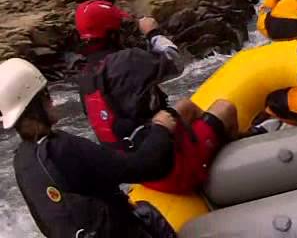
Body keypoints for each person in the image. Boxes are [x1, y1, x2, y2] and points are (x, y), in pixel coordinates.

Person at [1, 57, 178, 238]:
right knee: (148, 216)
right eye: (46, 95)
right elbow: (146, 166)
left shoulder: (22, 160)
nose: (52, 101)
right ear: (34, 106)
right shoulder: (64, 148)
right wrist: (161, 128)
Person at [75, 0, 238, 194]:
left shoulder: (85, 76)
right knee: (225, 108)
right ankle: (232, 158)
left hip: (141, 170)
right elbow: (175, 63)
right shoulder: (128, 59)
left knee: (185, 105)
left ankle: (202, 141)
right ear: (112, 33)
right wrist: (153, 33)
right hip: (170, 170)